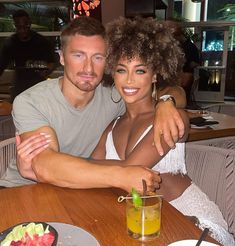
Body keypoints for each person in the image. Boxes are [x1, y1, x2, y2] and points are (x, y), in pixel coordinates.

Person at [15, 16, 234, 245]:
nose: (129, 80)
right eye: (121, 70)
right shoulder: (113, 124)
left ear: (155, 74)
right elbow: (90, 168)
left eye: (140, 71)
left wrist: (50, 167)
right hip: (139, 222)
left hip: (190, 223)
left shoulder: (172, 117)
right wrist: (43, 169)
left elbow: (130, 171)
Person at [5, 16, 186, 192]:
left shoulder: (115, 94)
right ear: (61, 57)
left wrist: (166, 103)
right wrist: (122, 176)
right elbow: (45, 165)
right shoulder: (31, 101)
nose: (88, 68)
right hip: (19, 190)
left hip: (78, 190)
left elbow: (171, 90)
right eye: (78, 55)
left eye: (98, 57)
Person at [0, 9, 56, 101]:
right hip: (19, 84)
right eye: (19, 27)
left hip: (38, 84)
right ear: (15, 25)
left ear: (29, 23)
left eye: (25, 26)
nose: (22, 30)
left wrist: (47, 71)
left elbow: (52, 62)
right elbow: (1, 65)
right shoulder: (11, 43)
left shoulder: (41, 42)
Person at [165, 20, 201, 107]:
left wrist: (185, 65)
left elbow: (196, 63)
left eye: (172, 36)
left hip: (184, 78)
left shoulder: (191, 47)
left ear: (177, 35)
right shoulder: (173, 46)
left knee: (180, 104)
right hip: (174, 79)